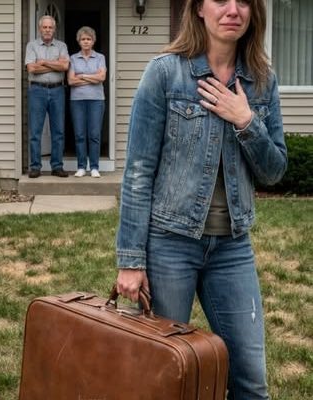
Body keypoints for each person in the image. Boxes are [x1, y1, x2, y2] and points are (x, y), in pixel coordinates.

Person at [115, 0, 287, 399]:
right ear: (198, 9)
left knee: (250, 380)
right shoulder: (164, 74)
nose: (233, 10)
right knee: (162, 375)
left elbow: (274, 171)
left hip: (232, 248)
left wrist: (245, 120)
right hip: (169, 244)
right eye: (221, 0)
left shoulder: (262, 81)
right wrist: (130, 261)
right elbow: (138, 171)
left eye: (243, 1)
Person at [25, 15, 69, 178]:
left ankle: (57, 166)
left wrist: (43, 62)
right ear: (40, 29)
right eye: (45, 27)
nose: (47, 30)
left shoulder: (62, 46)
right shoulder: (32, 45)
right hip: (37, 90)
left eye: (50, 27)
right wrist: (54, 65)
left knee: (58, 131)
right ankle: (35, 167)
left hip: (58, 90)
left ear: (54, 29)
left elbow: (64, 66)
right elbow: (31, 69)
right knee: (35, 131)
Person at [67, 26, 106, 178]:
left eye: (89, 39)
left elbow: (101, 78)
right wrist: (92, 77)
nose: (86, 41)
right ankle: (81, 167)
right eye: (83, 39)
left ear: (93, 41)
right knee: (80, 135)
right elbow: (71, 81)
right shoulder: (73, 58)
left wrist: (82, 76)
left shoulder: (100, 58)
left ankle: (94, 167)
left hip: (96, 100)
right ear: (79, 41)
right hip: (77, 100)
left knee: (94, 134)